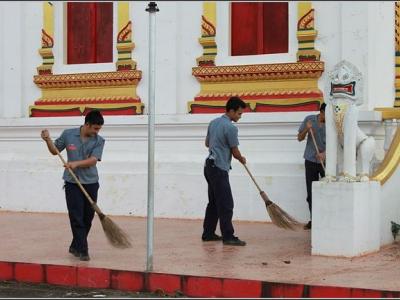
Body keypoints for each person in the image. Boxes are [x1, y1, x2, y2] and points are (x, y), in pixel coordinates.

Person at [40, 110, 105, 261]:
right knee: (76, 217)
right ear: (87, 124)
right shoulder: (69, 134)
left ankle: (75, 245)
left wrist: (76, 163)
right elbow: (55, 151)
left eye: (99, 129)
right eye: (95, 128)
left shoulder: (99, 140)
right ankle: (83, 249)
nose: (97, 132)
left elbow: (93, 160)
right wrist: (47, 140)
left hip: (91, 182)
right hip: (72, 182)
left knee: (87, 218)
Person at [202, 96, 247, 246]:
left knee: (214, 202)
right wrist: (241, 158)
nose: (240, 117)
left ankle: (208, 233)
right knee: (226, 204)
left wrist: (218, 146)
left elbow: (207, 143)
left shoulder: (213, 122)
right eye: (239, 114)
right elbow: (235, 151)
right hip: (219, 168)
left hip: (209, 165)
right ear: (232, 111)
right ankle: (228, 236)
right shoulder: (231, 128)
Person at [297, 103, 326, 230]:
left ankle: (326, 218)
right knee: (311, 192)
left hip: (326, 161)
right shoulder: (309, 119)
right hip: (310, 160)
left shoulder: (332, 123)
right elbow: (299, 138)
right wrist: (306, 130)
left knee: (328, 190)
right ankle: (313, 219)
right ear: (321, 111)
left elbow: (337, 142)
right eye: (326, 114)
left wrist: (325, 153)